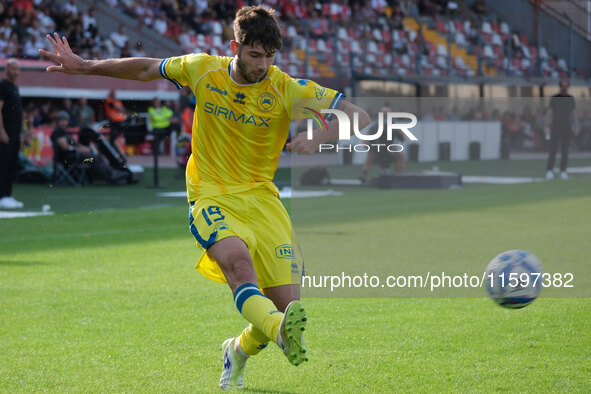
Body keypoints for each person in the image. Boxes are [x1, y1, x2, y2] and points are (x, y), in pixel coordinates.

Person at [40, 5, 368, 390]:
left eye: (270, 56)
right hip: (211, 194)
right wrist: (86, 67)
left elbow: (356, 114)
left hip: (263, 199)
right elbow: (147, 68)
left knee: (284, 307)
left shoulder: (286, 88)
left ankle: (239, 350)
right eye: (255, 55)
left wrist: (319, 136)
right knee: (238, 265)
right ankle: (278, 329)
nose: (263, 65)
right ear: (235, 46)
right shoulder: (202, 69)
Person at [51, 110, 127, 184]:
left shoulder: (65, 132)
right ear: (58, 121)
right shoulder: (58, 133)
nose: (64, 122)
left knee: (98, 156)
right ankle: (110, 176)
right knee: (93, 158)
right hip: (67, 158)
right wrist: (81, 149)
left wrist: (84, 148)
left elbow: (74, 145)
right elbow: (65, 147)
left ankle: (112, 172)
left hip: (74, 155)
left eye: (65, 120)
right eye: (62, 120)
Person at [0, 58, 24, 209]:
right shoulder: (2, 86)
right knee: (2, 165)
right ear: (6, 69)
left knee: (11, 165)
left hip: (15, 133)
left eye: (17, 69)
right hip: (5, 133)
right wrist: (1, 131)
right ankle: (2, 195)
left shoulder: (14, 87)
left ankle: (8, 195)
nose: (15, 72)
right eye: (13, 69)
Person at [545, 79, 579, 180]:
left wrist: (576, 127)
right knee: (553, 149)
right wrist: (546, 125)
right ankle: (550, 170)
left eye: (566, 85)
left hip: (567, 127)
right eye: (562, 85)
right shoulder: (554, 98)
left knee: (565, 150)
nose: (564, 87)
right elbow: (549, 112)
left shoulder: (571, 99)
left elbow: (574, 114)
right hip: (556, 127)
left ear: (568, 87)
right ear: (560, 87)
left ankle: (563, 171)